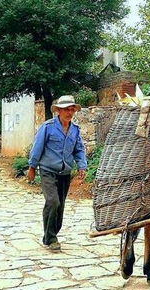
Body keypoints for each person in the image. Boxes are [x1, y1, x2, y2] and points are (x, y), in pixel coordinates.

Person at [27, 95, 87, 250]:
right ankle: (51, 237)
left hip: (65, 172)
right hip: (48, 170)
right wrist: (32, 168)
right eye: (66, 109)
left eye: (71, 109)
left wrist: (82, 166)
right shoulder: (48, 127)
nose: (69, 112)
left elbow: (79, 149)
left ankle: (51, 235)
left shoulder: (75, 130)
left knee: (60, 206)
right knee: (53, 202)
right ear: (58, 111)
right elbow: (37, 147)